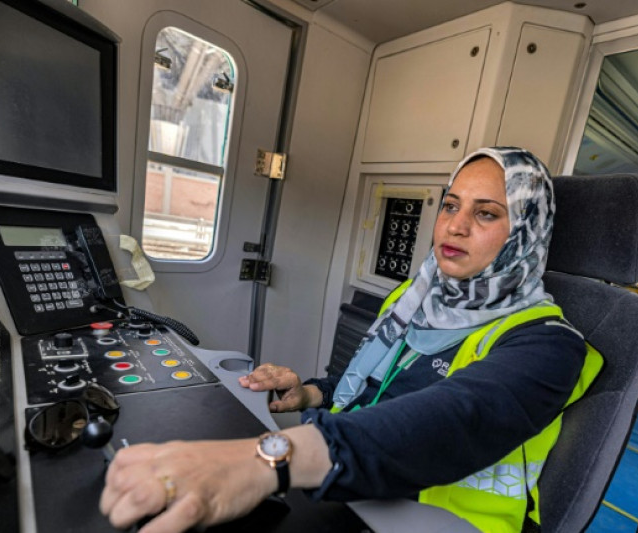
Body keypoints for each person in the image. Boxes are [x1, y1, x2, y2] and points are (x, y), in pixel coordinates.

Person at [99, 147, 600, 533]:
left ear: (527, 232)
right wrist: (311, 392)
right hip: (355, 479)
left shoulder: (549, 345)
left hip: (433, 516)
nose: (456, 225)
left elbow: (451, 419)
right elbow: (383, 385)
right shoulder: (417, 295)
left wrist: (262, 461)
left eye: (487, 213)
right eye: (450, 205)